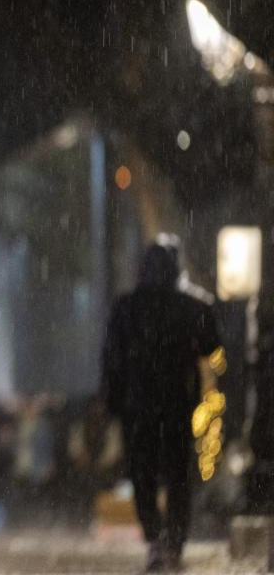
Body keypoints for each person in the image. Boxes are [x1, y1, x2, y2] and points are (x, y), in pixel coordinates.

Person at [103, 243, 222, 572]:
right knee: (178, 476)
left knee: (143, 476)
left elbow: (112, 358)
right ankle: (174, 543)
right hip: (177, 405)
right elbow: (212, 342)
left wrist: (112, 400)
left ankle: (155, 539)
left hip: (137, 407)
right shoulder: (188, 307)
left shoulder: (126, 308)